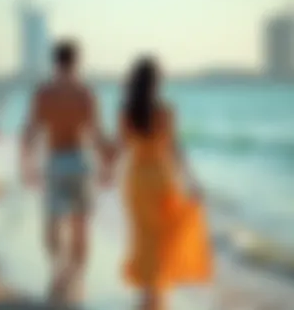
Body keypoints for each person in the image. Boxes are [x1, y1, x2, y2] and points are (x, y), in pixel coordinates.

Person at [111, 57, 212, 310]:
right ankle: (155, 302)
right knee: (163, 244)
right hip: (162, 179)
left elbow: (120, 148)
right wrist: (193, 181)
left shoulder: (126, 111)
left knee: (144, 241)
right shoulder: (166, 111)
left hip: (136, 182)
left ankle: (148, 299)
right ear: (156, 83)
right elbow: (175, 149)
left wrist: (104, 171)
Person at [20, 40, 110, 306]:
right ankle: (75, 276)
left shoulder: (44, 93)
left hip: (56, 161)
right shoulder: (86, 93)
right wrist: (106, 166)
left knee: (52, 223)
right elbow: (96, 135)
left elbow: (30, 131)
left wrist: (27, 165)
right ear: (77, 61)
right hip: (81, 161)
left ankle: (58, 269)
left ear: (55, 61)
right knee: (80, 226)